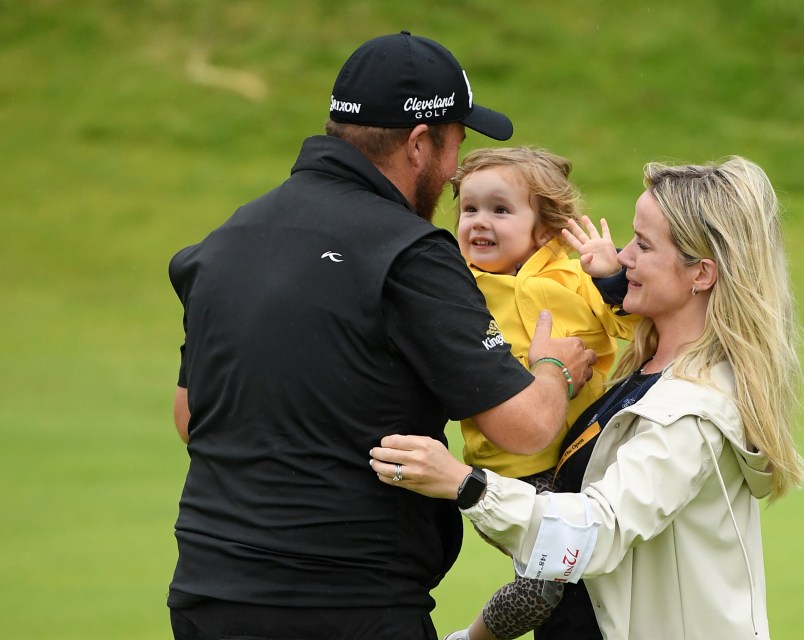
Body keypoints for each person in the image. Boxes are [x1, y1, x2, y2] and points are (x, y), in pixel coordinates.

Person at [166, 31, 597, 640]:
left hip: (208, 595)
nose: (453, 173)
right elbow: (524, 427)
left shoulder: (226, 242)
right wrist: (554, 367)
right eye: (456, 145)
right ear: (420, 144)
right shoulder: (409, 252)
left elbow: (191, 418)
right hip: (350, 604)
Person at [372, 156, 804, 640]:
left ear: (700, 274)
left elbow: (599, 531)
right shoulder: (646, 373)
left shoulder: (690, 413)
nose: (622, 258)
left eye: (642, 246)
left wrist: (463, 482)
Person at [447, 147, 640, 640]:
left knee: (604, 572)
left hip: (583, 458)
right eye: (469, 209)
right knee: (545, 584)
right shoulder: (458, 290)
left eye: (500, 209)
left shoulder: (575, 280)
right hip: (513, 472)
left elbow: (635, 326)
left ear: (548, 228)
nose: (479, 222)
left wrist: (610, 277)